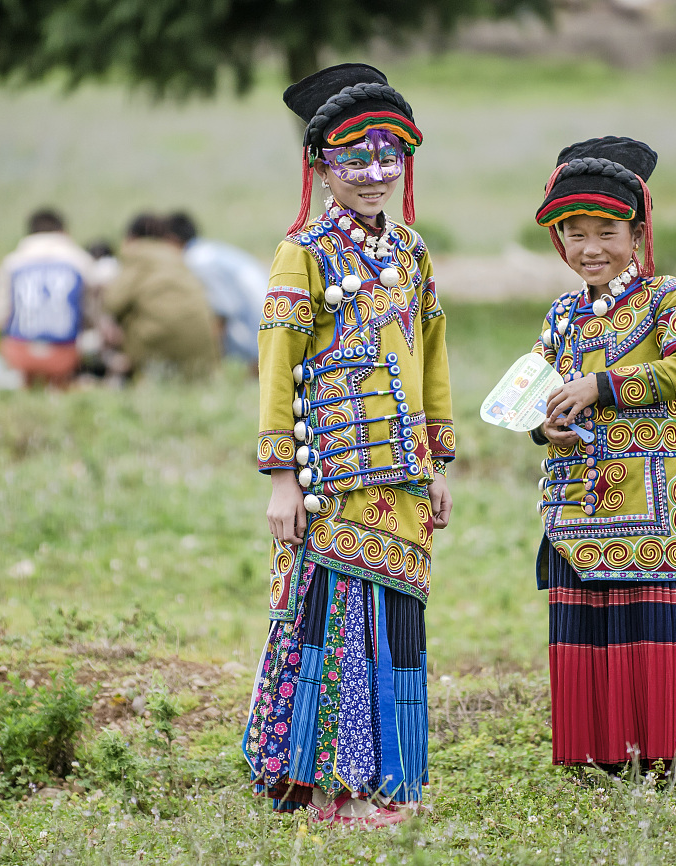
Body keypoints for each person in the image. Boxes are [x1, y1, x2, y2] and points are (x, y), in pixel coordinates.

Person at [241, 63, 456, 827]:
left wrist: (437, 461)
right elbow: (277, 369)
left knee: (394, 629)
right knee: (338, 626)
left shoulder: (413, 252)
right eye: (355, 159)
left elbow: (430, 361)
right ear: (322, 167)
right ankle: (333, 786)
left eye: (390, 155)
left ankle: (388, 784)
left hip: (400, 481)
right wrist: (280, 480)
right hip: (328, 476)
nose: (375, 173)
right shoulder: (301, 254)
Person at [528, 136, 676, 769]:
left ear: (637, 230)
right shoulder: (560, 315)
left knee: (657, 619)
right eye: (574, 233)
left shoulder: (664, 297)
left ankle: (674, 752)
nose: (590, 249)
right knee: (592, 618)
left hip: (654, 498)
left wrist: (600, 387)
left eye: (606, 232)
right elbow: (535, 394)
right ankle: (601, 751)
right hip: (580, 499)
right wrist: (547, 430)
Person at [0, 208, 101, 387]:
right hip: (65, 352)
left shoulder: (13, 263)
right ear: (63, 232)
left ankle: (25, 396)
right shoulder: (79, 261)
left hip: (18, 352)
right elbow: (92, 313)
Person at [100, 214, 219, 378]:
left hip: (157, 345)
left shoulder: (136, 254)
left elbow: (113, 302)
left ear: (131, 238)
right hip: (201, 350)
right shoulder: (176, 255)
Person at [167, 212, 266, 368]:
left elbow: (224, 310)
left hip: (256, 321)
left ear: (172, 240)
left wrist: (211, 358)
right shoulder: (208, 250)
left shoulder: (196, 260)